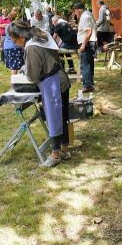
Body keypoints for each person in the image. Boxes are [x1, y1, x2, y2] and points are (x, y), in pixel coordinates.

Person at [8, 20, 71, 167]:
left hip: (52, 83)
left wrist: (26, 72)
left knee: (54, 117)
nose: (14, 43)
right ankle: (64, 149)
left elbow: (34, 75)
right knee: (62, 116)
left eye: (14, 40)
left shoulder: (31, 47)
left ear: (22, 37)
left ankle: (55, 155)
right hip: (61, 78)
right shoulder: (43, 34)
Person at [73, 2, 96, 93]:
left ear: (79, 10)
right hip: (89, 42)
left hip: (86, 43)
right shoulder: (87, 14)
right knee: (89, 65)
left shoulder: (85, 17)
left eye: (75, 11)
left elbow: (89, 32)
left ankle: (87, 86)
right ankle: (89, 84)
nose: (75, 13)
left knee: (85, 65)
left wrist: (83, 44)